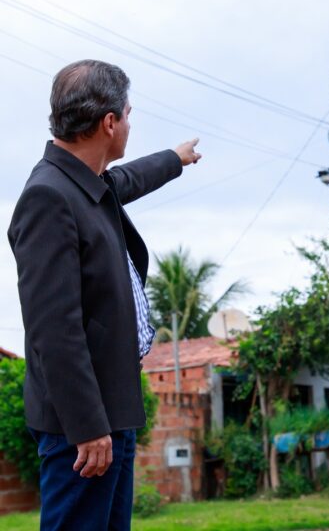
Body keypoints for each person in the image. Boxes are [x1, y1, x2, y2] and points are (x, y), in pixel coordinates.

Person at [8, 59, 201, 530]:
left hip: (110, 405)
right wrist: (88, 426)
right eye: (128, 115)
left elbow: (127, 180)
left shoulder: (87, 184)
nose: (129, 125)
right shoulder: (48, 197)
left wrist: (176, 158)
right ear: (109, 122)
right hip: (83, 425)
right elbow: (54, 331)